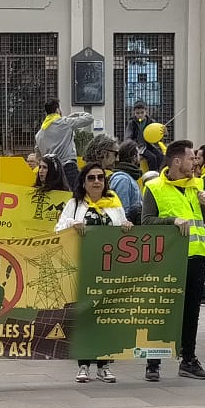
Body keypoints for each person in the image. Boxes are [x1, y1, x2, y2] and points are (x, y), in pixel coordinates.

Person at [142, 140, 205, 382]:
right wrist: (171, 221)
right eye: (192, 158)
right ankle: (153, 362)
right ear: (177, 161)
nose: (196, 162)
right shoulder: (154, 187)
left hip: (195, 255)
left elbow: (204, 219)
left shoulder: (196, 186)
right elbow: (147, 221)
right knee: (161, 310)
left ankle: (189, 359)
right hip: (167, 258)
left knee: (191, 311)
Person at [56, 162, 128, 383]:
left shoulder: (114, 204)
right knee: (84, 317)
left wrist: (126, 226)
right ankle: (84, 364)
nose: (97, 181)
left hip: (107, 270)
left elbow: (121, 228)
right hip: (83, 268)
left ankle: (104, 365)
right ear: (83, 182)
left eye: (100, 178)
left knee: (105, 317)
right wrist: (72, 223)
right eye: (91, 178)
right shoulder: (75, 204)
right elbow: (58, 229)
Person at [110, 141, 146, 226]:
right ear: (134, 157)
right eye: (138, 154)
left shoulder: (129, 178)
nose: (140, 158)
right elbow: (122, 211)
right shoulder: (123, 179)